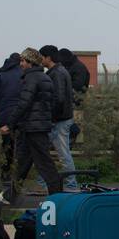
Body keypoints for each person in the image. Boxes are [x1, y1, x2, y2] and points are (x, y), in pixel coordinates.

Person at [0, 48, 63, 200]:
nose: (20, 64)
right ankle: (10, 195)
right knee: (22, 162)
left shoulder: (31, 79)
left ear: (30, 62)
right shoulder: (45, 77)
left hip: (32, 127)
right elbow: (53, 102)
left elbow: (24, 103)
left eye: (23, 61)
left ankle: (57, 196)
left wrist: (10, 123)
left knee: (44, 164)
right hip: (38, 125)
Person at [36, 46, 78, 191]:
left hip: (59, 119)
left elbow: (59, 98)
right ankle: (44, 184)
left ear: (48, 57)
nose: (40, 60)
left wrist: (51, 117)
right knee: (44, 152)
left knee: (62, 153)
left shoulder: (57, 73)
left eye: (41, 56)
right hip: (60, 118)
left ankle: (71, 184)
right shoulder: (58, 71)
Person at [0, 51, 24, 188]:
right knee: (22, 143)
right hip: (21, 113)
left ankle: (5, 171)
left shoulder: (0, 75)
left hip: (4, 112)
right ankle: (20, 173)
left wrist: (1, 106)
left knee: (6, 143)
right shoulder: (24, 74)